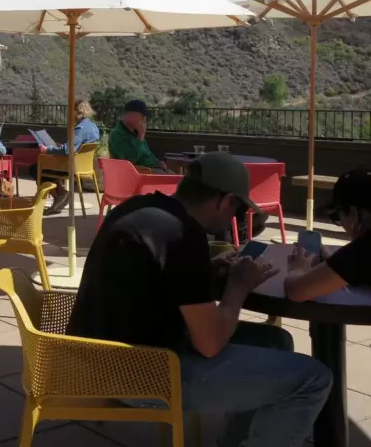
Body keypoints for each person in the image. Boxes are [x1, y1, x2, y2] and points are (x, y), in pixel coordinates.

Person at [68, 152, 331, 447]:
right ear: (225, 200)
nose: (235, 218)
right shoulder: (183, 234)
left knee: (275, 341)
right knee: (313, 378)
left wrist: (208, 271)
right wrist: (239, 285)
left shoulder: (140, 207)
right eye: (237, 209)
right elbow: (210, 344)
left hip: (102, 356)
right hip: (139, 375)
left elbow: (157, 281)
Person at [286, 167, 371, 300]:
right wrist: (332, 262)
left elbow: (295, 291)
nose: (341, 224)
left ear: (353, 213)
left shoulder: (364, 249)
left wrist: (297, 268)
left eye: (337, 216)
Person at [30, 99, 101, 215]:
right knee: (48, 168)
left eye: (72, 110)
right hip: (84, 166)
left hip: (71, 166)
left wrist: (47, 149)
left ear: (78, 111)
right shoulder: (94, 127)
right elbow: (77, 147)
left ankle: (59, 194)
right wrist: (62, 146)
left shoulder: (80, 128)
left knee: (35, 168)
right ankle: (61, 192)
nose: (70, 114)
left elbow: (67, 150)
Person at [108, 99, 168, 171]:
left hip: (153, 169)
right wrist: (140, 137)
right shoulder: (117, 134)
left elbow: (147, 154)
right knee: (178, 180)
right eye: (143, 117)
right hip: (142, 173)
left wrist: (158, 162)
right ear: (134, 116)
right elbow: (129, 160)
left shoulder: (135, 132)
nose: (145, 120)